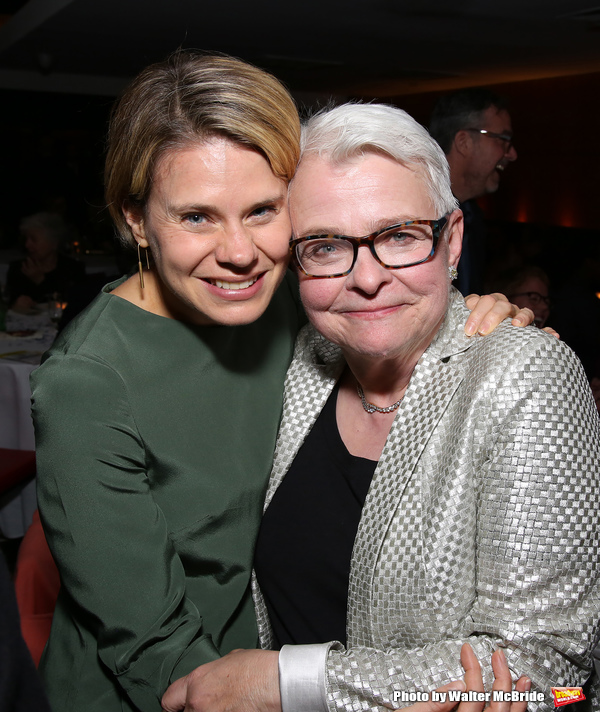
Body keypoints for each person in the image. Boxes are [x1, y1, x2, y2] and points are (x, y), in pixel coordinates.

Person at [31, 53, 534, 712]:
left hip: (286, 663)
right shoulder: (86, 385)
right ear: (135, 220)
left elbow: (389, 300)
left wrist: (481, 325)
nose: (240, 252)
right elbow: (156, 651)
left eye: (264, 210)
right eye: (197, 217)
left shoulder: (290, 300)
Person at [163, 104, 600, 712]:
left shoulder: (523, 376)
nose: (366, 278)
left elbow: (548, 670)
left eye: (399, 235)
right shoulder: (297, 363)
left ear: (452, 242)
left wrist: (288, 683)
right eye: (325, 245)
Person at [429, 89, 517, 296]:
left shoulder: (473, 219)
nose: (512, 154)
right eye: (503, 139)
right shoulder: (419, 216)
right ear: (463, 142)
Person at [6, 212, 84, 310]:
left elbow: (72, 302)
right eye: (26, 239)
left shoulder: (72, 268)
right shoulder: (19, 267)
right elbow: (10, 301)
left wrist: (40, 280)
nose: (27, 244)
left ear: (54, 243)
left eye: (33, 239)